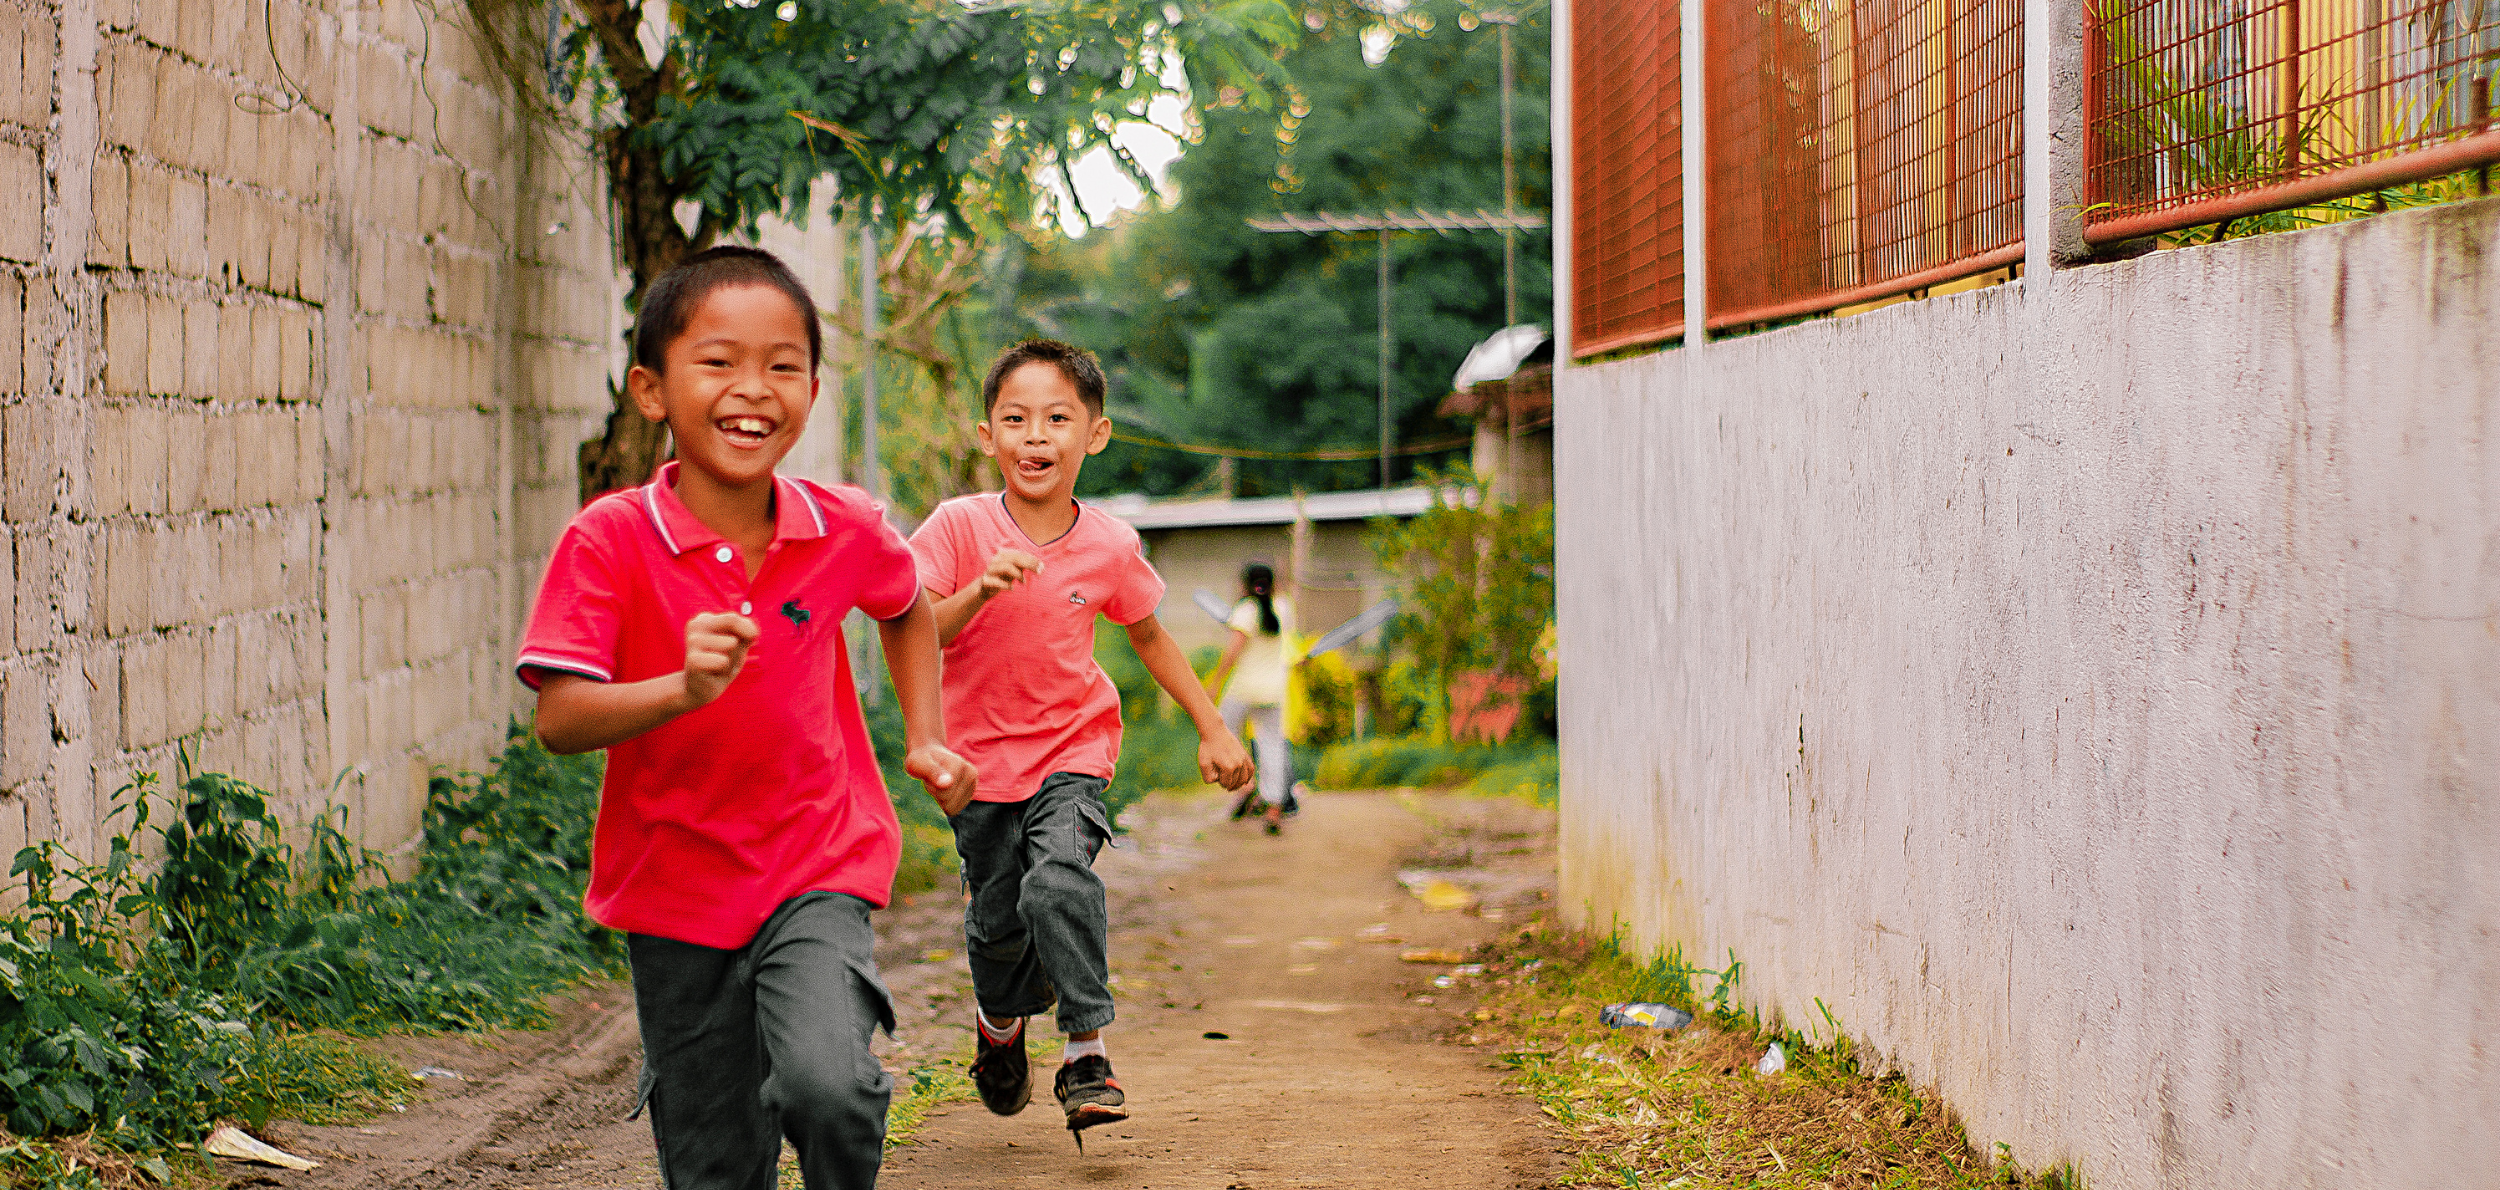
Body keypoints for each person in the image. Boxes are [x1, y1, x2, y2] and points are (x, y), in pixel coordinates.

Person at [515, 246, 977, 1190]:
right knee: (716, 1169)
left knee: (829, 1086)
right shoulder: (609, 539)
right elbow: (559, 719)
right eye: (718, 361)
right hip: (674, 886)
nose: (752, 389)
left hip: (817, 862)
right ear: (652, 391)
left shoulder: (841, 525)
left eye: (782, 364)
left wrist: (926, 735)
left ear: (812, 386)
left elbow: (906, 605)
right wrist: (679, 691)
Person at [909, 338, 1255, 1139]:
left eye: (1057, 418)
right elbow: (914, 629)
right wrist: (976, 590)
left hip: (1072, 753)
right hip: (976, 767)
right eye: (1016, 419)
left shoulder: (1108, 543)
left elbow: (1150, 636)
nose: (1036, 436)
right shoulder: (959, 527)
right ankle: (1000, 1029)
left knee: (1057, 882)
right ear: (987, 435)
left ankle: (1087, 1053)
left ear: (1093, 434)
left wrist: (1213, 727)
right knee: (998, 925)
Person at [1207, 562, 1294, 835]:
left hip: (1243, 690)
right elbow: (1288, 645)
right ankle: (1273, 809)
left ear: (1245, 585)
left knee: (1223, 733)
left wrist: (1215, 682)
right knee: (1273, 747)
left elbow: (1233, 652)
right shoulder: (1283, 607)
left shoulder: (1245, 610)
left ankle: (1247, 785)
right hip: (1273, 691)